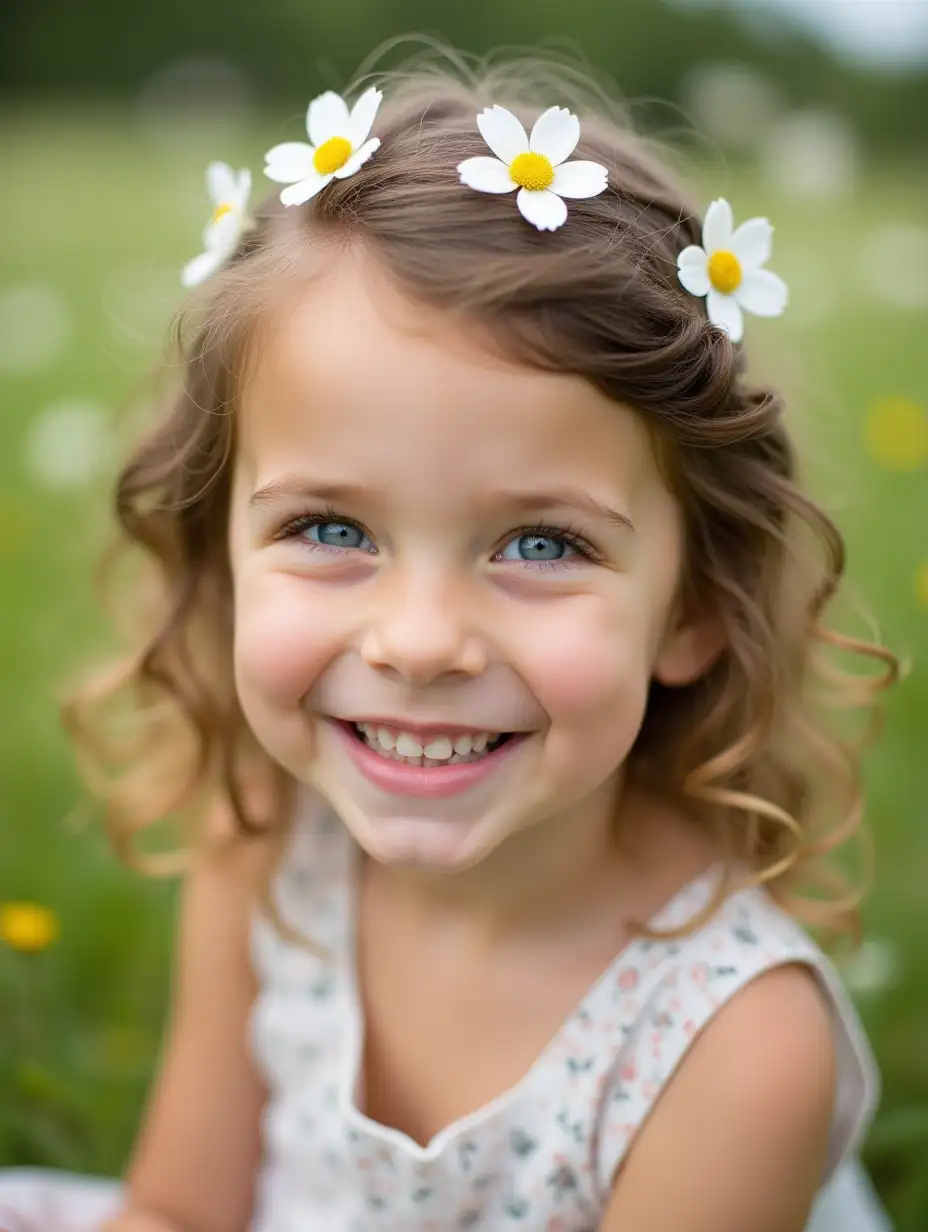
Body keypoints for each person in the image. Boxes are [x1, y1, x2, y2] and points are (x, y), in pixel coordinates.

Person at [0, 53, 898, 1232]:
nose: (421, 642)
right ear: (221, 553)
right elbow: (180, 1208)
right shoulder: (269, 846)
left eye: (539, 545)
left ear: (692, 609)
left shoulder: (731, 1046)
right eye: (329, 527)